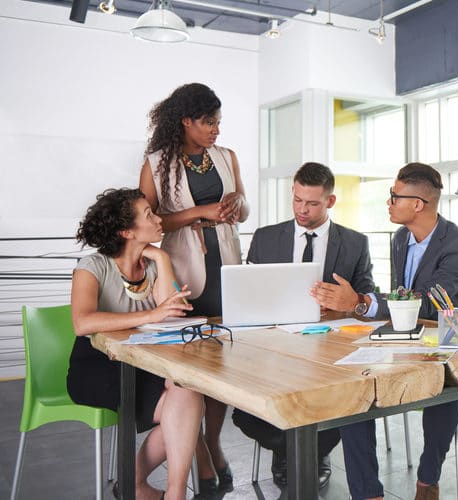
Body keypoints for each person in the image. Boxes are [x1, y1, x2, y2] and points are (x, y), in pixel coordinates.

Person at [311, 162, 458, 500]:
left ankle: (427, 480)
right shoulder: (401, 238)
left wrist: (360, 300)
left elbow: (429, 303)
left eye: (394, 196)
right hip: (405, 336)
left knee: (443, 384)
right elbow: (402, 296)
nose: (388, 202)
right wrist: (357, 306)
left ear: (418, 204)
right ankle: (368, 493)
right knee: (352, 388)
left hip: (448, 343)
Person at [231, 162, 378, 489]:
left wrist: (348, 302)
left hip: (328, 350)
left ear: (331, 201)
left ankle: (304, 452)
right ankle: (297, 450)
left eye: (312, 203)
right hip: (273, 349)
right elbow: (250, 293)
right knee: (244, 412)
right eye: (297, 200)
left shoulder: (355, 243)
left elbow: (365, 300)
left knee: (342, 400)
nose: (302, 209)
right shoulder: (266, 237)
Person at [138, 82, 247, 492]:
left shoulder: (225, 156)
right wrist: (197, 213)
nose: (216, 130)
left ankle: (213, 445)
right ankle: (199, 454)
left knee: (220, 364)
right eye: (207, 122)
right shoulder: (156, 162)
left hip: (226, 266)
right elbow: (146, 223)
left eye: (218, 122)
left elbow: (243, 207)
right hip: (182, 272)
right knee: (187, 370)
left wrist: (235, 202)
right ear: (185, 121)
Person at [68, 188, 202, 500]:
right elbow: (82, 322)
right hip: (98, 365)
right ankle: (140, 485)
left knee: (188, 390)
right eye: (149, 215)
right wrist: (153, 313)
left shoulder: (152, 264)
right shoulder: (92, 266)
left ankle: (173, 492)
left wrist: (162, 256)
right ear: (126, 231)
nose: (158, 219)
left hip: (144, 362)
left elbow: (172, 314)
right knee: (182, 409)